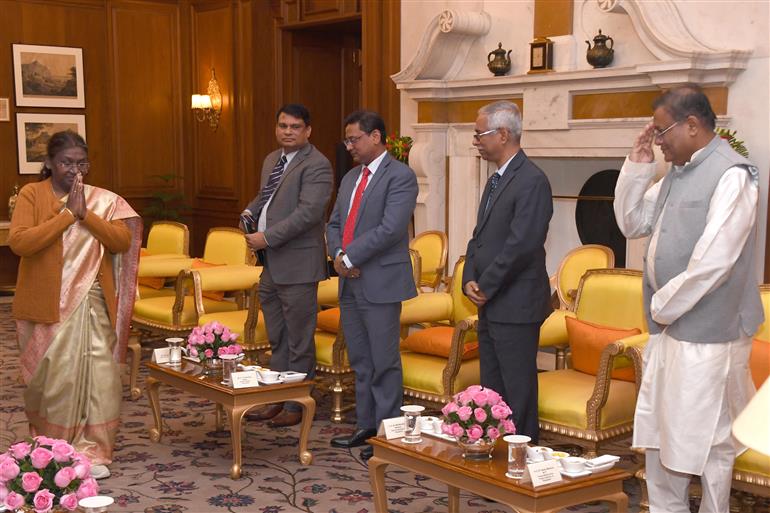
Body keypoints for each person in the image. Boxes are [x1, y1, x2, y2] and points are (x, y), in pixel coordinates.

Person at [614, 84, 762, 513]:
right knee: (664, 432)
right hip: (671, 332)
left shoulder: (733, 175)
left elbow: (714, 261)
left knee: (708, 439)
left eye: (661, 132)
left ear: (692, 126)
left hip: (709, 337)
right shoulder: (675, 173)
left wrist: (662, 306)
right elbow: (632, 222)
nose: (657, 141)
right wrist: (638, 167)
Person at [9, 131, 142, 480]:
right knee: (54, 379)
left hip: (92, 302)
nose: (74, 169)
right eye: (67, 162)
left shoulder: (102, 200)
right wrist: (68, 215)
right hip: (48, 304)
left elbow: (122, 241)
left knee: (100, 377)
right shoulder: (31, 194)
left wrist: (86, 215)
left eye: (81, 162)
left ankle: (94, 449)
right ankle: (53, 446)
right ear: (50, 163)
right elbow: (20, 242)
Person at [326, 110, 418, 461]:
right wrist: (337, 253)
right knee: (361, 359)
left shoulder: (401, 176)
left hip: (380, 280)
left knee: (384, 360)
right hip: (350, 282)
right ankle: (366, 425)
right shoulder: (350, 177)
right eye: (347, 140)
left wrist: (349, 257)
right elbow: (334, 222)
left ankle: (388, 434)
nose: (349, 146)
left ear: (376, 137)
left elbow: (391, 228)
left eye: (355, 139)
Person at [462, 100, 553, 442]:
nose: (476, 140)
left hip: (516, 304)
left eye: (479, 133)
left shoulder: (532, 180)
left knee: (517, 393)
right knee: (492, 391)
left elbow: (522, 245)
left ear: (502, 134)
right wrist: (469, 277)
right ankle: (495, 459)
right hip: (492, 301)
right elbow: (480, 238)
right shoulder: (497, 180)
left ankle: (521, 462)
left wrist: (486, 285)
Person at [240, 104, 332, 427]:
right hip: (272, 265)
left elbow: (308, 214)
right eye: (283, 126)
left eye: (295, 127)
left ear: (308, 131)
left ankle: (297, 405)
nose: (288, 131)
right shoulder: (271, 160)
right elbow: (265, 196)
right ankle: (275, 399)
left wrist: (267, 237)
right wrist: (250, 213)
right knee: (277, 336)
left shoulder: (317, 165)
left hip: (299, 264)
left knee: (299, 338)